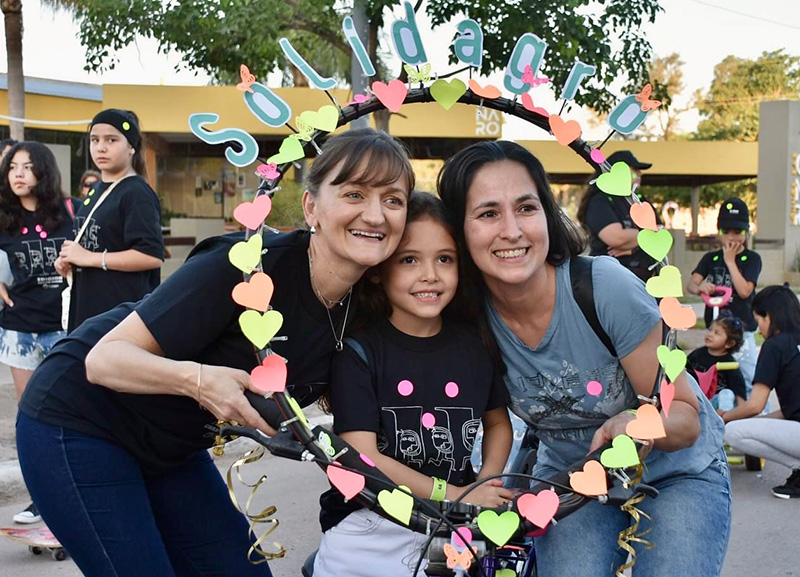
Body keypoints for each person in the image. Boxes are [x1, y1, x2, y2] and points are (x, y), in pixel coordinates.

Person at [16, 128, 414, 577]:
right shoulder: (245, 264)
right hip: (78, 421)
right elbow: (104, 361)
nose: (376, 214)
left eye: (394, 200)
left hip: (172, 445)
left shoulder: (369, 306)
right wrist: (202, 381)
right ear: (311, 207)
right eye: (355, 193)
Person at [438, 141, 730, 577]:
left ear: (547, 215)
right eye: (487, 213)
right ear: (459, 231)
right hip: (573, 480)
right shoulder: (467, 318)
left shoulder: (601, 287)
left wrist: (633, 424)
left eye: (526, 208)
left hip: (676, 473)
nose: (512, 230)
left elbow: (686, 420)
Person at [314, 192, 512, 577]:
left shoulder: (475, 345)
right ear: (377, 269)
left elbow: (498, 424)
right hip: (369, 518)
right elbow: (362, 454)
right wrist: (449, 493)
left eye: (444, 259)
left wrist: (486, 481)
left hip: (454, 523)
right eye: (409, 260)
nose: (430, 275)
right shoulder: (358, 351)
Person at [0, 141, 78, 524]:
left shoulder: (67, 213)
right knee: (32, 417)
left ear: (43, 172)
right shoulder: (2, 217)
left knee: (69, 412)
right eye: (13, 166)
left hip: (65, 328)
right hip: (21, 331)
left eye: (27, 167)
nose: (18, 174)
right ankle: (40, 500)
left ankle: (74, 494)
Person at [55, 109, 164, 332]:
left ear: (131, 147)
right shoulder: (95, 191)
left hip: (119, 316)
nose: (101, 147)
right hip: (86, 312)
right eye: (94, 140)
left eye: (111, 140)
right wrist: (69, 260)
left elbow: (151, 256)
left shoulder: (136, 192)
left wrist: (90, 258)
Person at [721, 285, 800, 499]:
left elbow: (755, 404)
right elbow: (790, 409)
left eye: (759, 321)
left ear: (770, 317)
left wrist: (724, 418)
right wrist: (762, 423)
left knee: (733, 432)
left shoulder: (775, 345)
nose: (758, 329)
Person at [687, 197, 761, 396]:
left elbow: (745, 291)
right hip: (718, 332)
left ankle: (754, 415)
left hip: (741, 334)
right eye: (725, 232)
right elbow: (691, 285)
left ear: (746, 232)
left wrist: (730, 261)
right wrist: (701, 286)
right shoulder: (710, 258)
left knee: (748, 378)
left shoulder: (752, 259)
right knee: (717, 380)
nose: (731, 238)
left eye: (737, 232)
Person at [576, 150, 660, 282]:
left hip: (643, 280)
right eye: (635, 169)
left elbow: (661, 233)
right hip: (609, 279)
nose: (640, 173)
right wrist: (648, 235)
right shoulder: (600, 200)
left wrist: (634, 248)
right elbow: (617, 238)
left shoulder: (640, 201)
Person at [687, 314, 747, 411]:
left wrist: (741, 413)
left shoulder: (730, 365)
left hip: (714, 404)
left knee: (727, 393)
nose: (710, 334)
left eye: (717, 333)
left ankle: (721, 419)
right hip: (696, 399)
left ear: (729, 343)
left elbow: (740, 396)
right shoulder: (698, 354)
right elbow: (683, 369)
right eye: (710, 330)